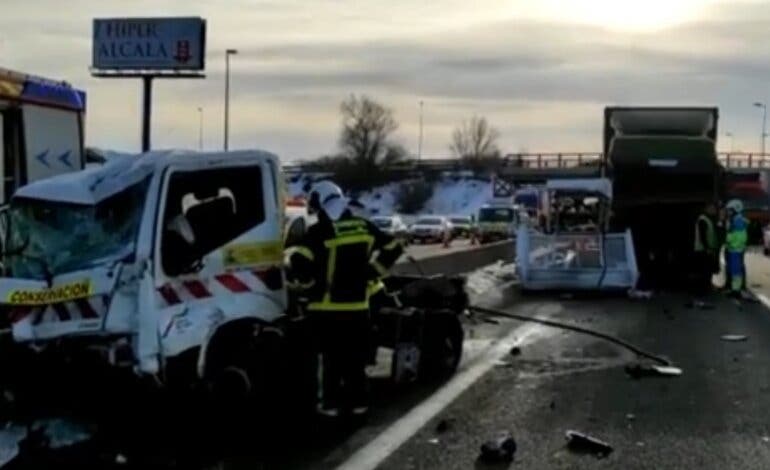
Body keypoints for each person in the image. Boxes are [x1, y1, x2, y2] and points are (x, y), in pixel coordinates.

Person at [286, 181, 403, 417]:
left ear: (321, 203)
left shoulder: (320, 231)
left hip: (325, 309)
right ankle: (358, 403)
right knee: (355, 358)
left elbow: (299, 262)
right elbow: (394, 247)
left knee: (329, 359)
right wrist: (373, 272)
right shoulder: (363, 227)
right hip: (358, 307)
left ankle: (330, 404)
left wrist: (307, 286)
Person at [693, 202, 719, 295]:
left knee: (708, 270)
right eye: (712, 208)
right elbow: (703, 235)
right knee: (704, 270)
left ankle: (706, 287)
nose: (714, 210)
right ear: (707, 209)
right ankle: (703, 289)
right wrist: (707, 247)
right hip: (702, 250)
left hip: (707, 249)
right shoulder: (703, 219)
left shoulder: (708, 219)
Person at [724, 199, 748, 298]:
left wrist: (729, 241)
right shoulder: (736, 220)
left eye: (730, 210)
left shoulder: (737, 221)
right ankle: (735, 289)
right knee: (734, 270)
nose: (728, 212)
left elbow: (739, 237)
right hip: (734, 249)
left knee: (736, 271)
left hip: (735, 249)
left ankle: (736, 291)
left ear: (736, 209)